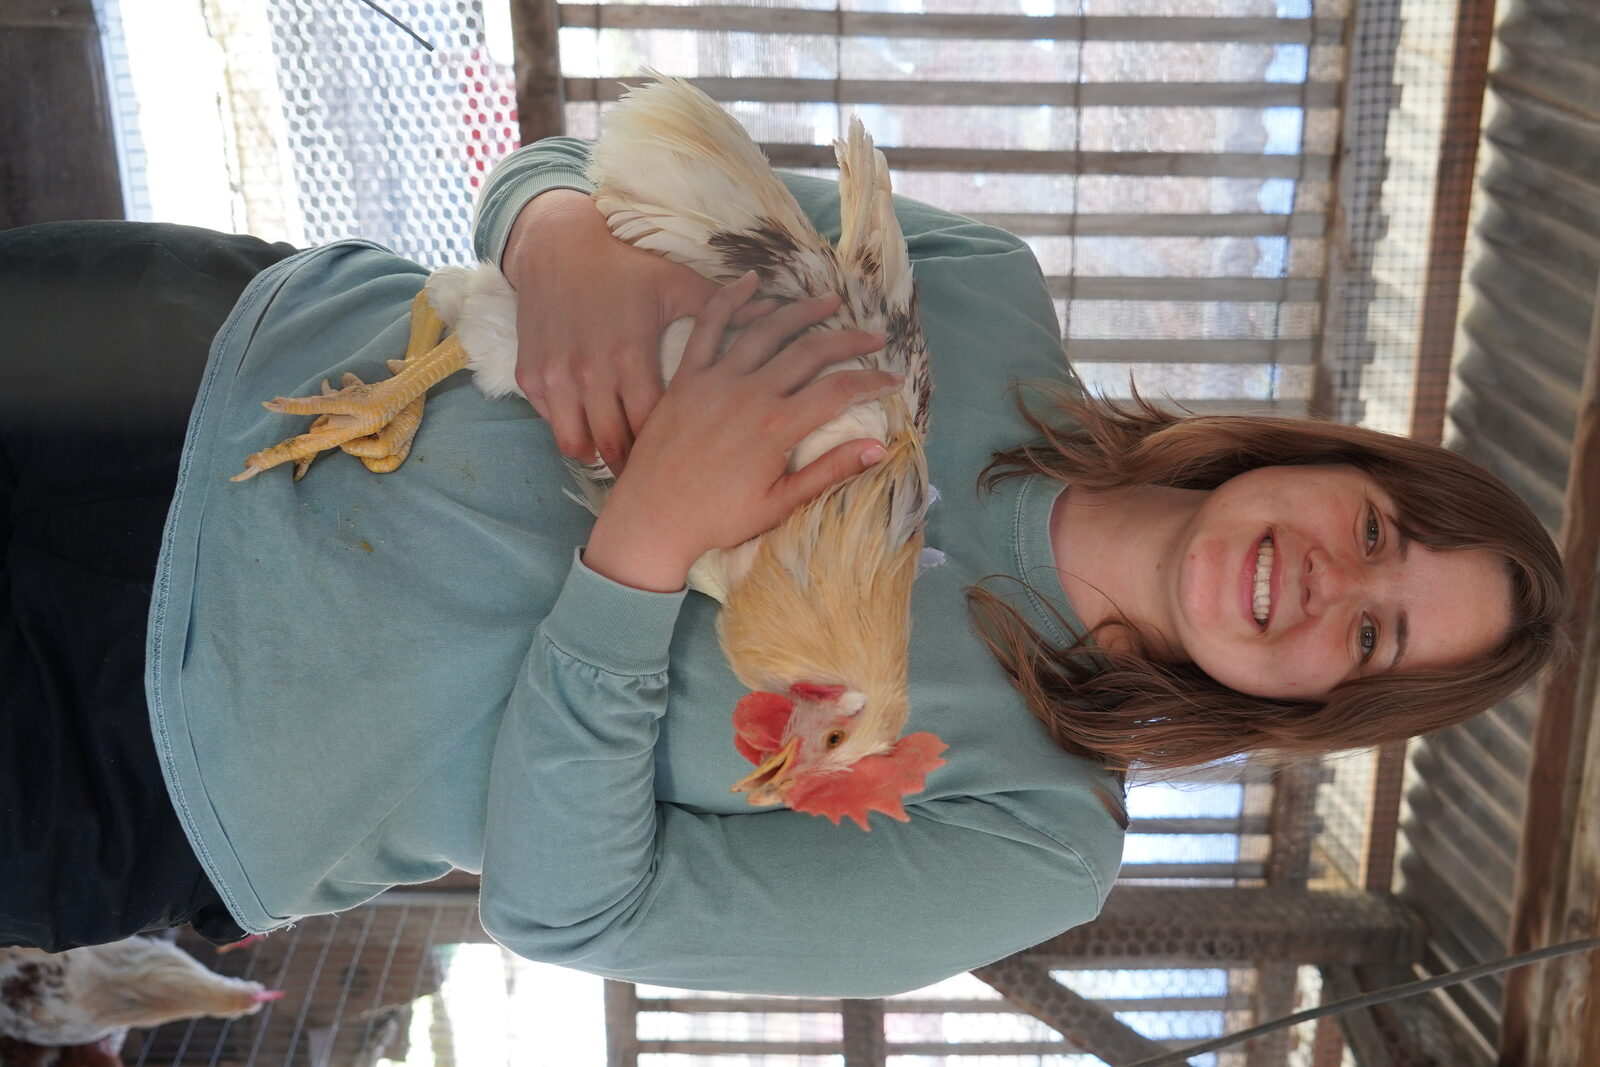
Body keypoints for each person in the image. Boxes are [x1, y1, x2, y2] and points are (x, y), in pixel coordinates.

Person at [0, 134, 1568, 997]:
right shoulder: (986, 293)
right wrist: (558, 233)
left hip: (138, 749)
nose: (1329, 584)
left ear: (1323, 708)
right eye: (1380, 529)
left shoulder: (1033, 839)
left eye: (1375, 641)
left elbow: (574, 915)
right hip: (181, 354)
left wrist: (647, 549)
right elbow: (576, 175)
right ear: (1333, 460)